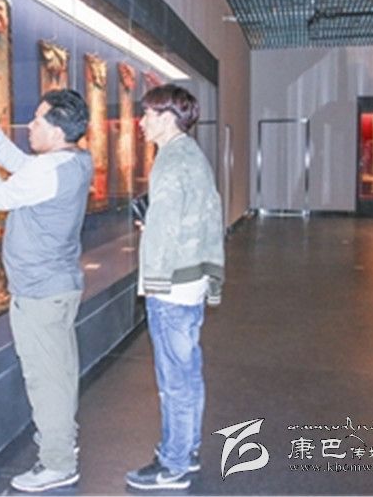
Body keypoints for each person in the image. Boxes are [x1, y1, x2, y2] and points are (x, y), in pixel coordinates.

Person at [0, 89, 93, 493]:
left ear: (57, 131)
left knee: (46, 380)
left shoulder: (50, 170)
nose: (30, 126)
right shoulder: (74, 160)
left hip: (39, 294)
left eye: (37, 121)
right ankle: (61, 441)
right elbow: (24, 168)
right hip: (57, 288)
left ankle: (57, 463)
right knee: (60, 373)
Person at [125, 84, 224, 491]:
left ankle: (173, 464)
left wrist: (153, 281)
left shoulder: (169, 161)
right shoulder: (192, 155)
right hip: (191, 281)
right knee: (188, 373)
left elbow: (165, 227)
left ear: (167, 118)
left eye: (148, 114)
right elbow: (202, 217)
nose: (142, 122)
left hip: (172, 288)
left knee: (173, 381)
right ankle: (188, 449)